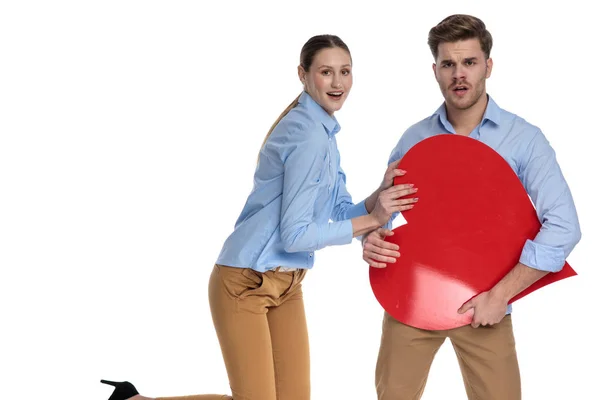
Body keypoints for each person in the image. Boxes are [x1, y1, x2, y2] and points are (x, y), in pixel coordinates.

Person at [101, 34, 418, 400]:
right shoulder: (307, 135)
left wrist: (379, 196)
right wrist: (371, 220)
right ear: (303, 74)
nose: (338, 83)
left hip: (287, 284)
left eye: (345, 72)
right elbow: (295, 236)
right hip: (244, 283)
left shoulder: (324, 133)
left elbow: (337, 210)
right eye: (326, 72)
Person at [362, 14, 581, 400]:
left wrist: (500, 296)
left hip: (486, 307)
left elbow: (564, 226)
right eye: (448, 64)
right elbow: (380, 213)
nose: (458, 75)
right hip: (412, 300)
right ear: (435, 70)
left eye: (469, 62)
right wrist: (371, 233)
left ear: (488, 66)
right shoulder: (415, 138)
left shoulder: (523, 139)